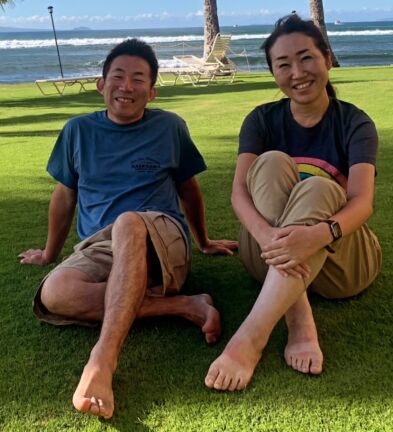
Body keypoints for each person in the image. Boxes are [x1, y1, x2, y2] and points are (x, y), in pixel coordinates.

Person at [19, 38, 237, 419]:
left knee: (129, 222)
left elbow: (189, 188)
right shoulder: (78, 131)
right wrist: (49, 254)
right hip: (99, 247)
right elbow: (64, 196)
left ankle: (102, 360)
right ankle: (183, 306)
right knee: (55, 293)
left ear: (151, 91)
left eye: (138, 79)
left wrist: (202, 241)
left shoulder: (169, 127)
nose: (127, 86)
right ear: (101, 85)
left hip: (162, 240)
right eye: (117, 76)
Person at [205, 14, 382, 391]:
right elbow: (239, 194)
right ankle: (298, 317)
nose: (297, 72)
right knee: (269, 163)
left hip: (342, 261)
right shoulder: (262, 120)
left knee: (320, 189)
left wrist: (319, 233)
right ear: (273, 73)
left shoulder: (355, 124)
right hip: (267, 254)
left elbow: (362, 202)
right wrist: (269, 237)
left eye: (306, 58)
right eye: (283, 64)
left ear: (327, 59)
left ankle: (251, 337)